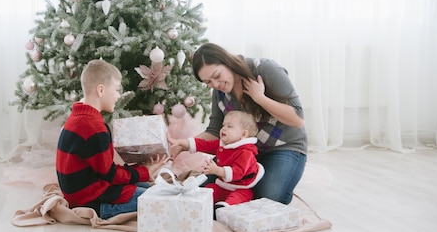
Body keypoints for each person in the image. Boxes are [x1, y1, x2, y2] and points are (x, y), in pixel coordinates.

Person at [170, 42, 307, 205]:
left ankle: (279, 182)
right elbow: (214, 131)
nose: (214, 84)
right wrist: (184, 144)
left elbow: (297, 120)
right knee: (203, 190)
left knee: (266, 199)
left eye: (216, 75)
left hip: (282, 147)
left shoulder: (264, 69)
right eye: (207, 82)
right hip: (241, 152)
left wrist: (260, 98)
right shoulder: (219, 92)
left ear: (226, 61)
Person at [56, 59, 168, 219]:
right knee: (160, 199)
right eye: (116, 90)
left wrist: (142, 172)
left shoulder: (77, 116)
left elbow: (103, 170)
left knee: (144, 184)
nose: (118, 96)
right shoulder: (94, 128)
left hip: (80, 193)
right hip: (93, 201)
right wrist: (144, 171)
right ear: (101, 90)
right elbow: (110, 175)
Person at [169, 110, 264, 208]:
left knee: (235, 200)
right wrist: (180, 142)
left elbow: (238, 172)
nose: (223, 129)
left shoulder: (246, 152)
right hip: (223, 185)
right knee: (207, 191)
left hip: (241, 188)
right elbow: (203, 145)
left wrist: (217, 170)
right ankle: (195, 205)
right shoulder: (222, 144)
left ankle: (220, 209)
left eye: (229, 126)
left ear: (243, 134)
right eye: (223, 125)